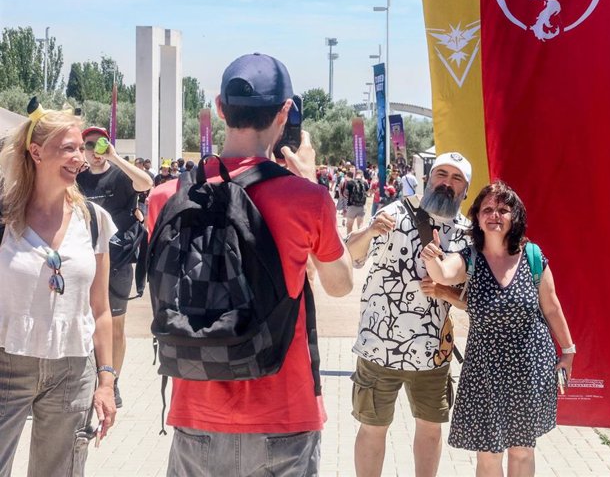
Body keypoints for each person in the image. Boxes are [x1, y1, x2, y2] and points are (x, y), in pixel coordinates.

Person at [147, 52, 354, 477]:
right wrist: (311, 183)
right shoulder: (306, 199)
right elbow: (340, 284)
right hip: (285, 413)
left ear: (220, 108)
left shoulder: (165, 197)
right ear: (285, 112)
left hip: (195, 411)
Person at [421, 180, 575, 477]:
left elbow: (552, 307)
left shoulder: (532, 256)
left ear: (514, 217)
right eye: (488, 209)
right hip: (485, 372)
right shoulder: (470, 258)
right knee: (489, 455)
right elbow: (444, 273)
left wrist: (568, 351)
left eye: (503, 209)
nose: (495, 215)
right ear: (477, 217)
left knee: (521, 451)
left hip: (529, 368)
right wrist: (433, 259)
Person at [0, 100, 118, 475]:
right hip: (6, 362)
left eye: (80, 148)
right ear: (35, 151)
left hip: (72, 368)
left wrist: (106, 381)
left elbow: (100, 309)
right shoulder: (4, 217)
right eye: (68, 147)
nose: (79, 157)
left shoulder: (94, 220)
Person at [345, 152, 473, 477]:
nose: (447, 182)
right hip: (379, 347)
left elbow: (466, 292)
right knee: (373, 428)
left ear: (466, 190)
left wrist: (444, 287)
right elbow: (353, 255)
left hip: (432, 354)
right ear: (429, 178)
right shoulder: (394, 212)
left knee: (430, 429)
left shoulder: (466, 233)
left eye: (456, 178)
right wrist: (371, 231)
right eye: (442, 174)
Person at [78, 126, 154, 409]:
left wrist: (115, 157)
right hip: (86, 260)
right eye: (90, 145)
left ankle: (114, 380)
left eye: (101, 144)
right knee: (86, 322)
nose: (95, 150)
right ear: (83, 147)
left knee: (117, 325)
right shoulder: (79, 179)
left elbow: (146, 184)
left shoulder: (121, 176)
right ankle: (90, 378)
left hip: (118, 260)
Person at [345, 169, 370, 234]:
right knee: (360, 226)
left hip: (352, 206)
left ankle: (349, 240)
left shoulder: (350, 182)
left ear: (355, 174)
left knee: (349, 226)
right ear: (362, 175)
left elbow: (345, 193)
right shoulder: (364, 183)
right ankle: (360, 241)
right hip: (361, 206)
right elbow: (367, 193)